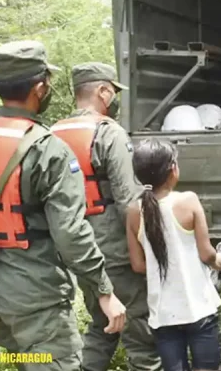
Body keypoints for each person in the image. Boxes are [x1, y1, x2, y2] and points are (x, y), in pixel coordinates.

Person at [0, 40, 126, 369]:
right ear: (41, 87)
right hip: (37, 300)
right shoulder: (48, 150)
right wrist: (104, 291)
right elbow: (71, 234)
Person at [51, 62, 162, 371]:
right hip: (114, 247)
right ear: (102, 91)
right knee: (140, 326)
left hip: (76, 248)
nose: (114, 99)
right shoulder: (107, 132)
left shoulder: (52, 133)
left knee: (104, 322)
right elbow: (130, 199)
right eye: (113, 92)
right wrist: (150, 246)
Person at [126, 139, 221, 371]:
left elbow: (138, 265)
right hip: (198, 307)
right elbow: (206, 253)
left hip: (163, 314)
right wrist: (218, 261)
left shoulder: (133, 211)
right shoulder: (188, 201)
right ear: (173, 169)